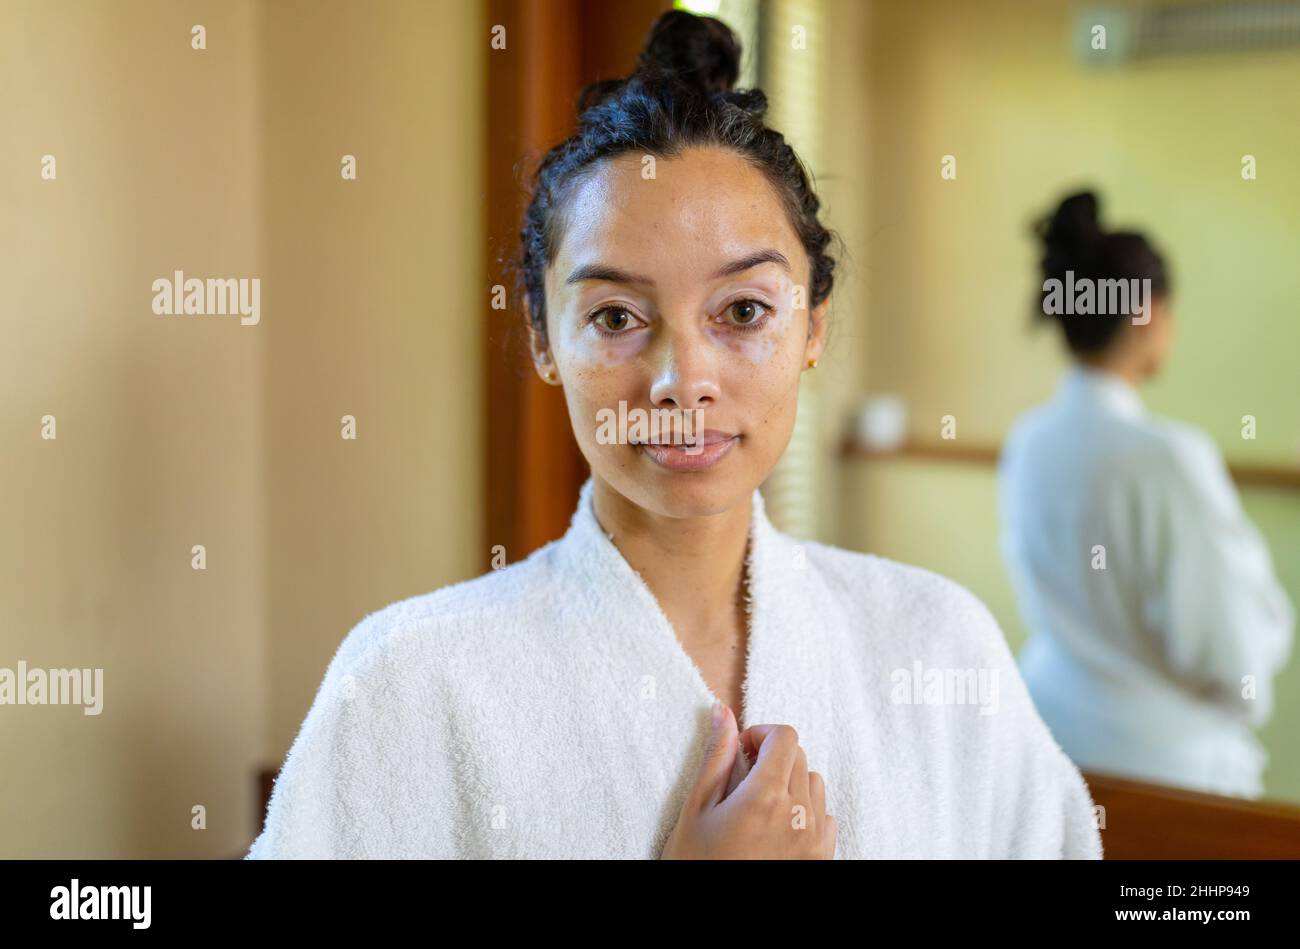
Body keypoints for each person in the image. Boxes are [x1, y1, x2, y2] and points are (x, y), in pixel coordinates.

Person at [247, 11, 1101, 859]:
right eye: (616, 315)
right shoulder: (408, 683)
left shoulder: (939, 644)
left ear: (812, 329)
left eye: (743, 311)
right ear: (544, 341)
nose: (681, 380)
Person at [999, 191, 1295, 799]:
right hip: (1168, 776)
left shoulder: (1030, 441)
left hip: (1053, 740)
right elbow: (1227, 651)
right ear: (1149, 314)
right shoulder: (1167, 458)